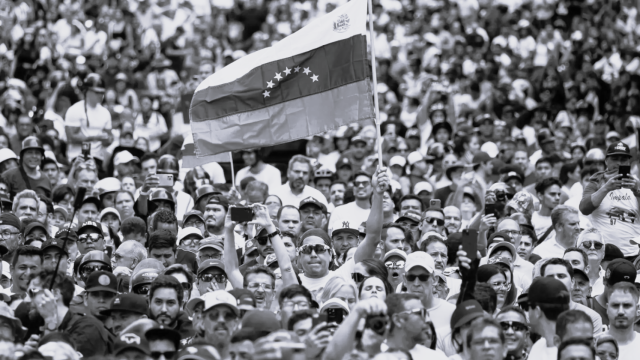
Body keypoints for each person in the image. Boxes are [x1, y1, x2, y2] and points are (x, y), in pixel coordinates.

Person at [27, 270, 113, 357]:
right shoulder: (39, 326)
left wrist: (50, 321)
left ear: (55, 294)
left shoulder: (88, 328)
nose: (27, 299)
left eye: (33, 292)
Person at [580, 141, 640, 258]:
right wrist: (606, 188)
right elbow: (584, 209)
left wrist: (637, 191)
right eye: (615, 159)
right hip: (604, 254)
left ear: (629, 162)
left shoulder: (636, 183)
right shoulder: (596, 182)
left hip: (634, 253)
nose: (618, 163)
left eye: (623, 160)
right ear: (606, 161)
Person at [541, 258, 603, 334]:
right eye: (550, 277)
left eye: (561, 276)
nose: (556, 280)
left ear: (572, 282)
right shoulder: (536, 314)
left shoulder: (591, 317)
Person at [403, 251, 455, 340]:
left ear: (434, 279)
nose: (416, 283)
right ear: (404, 280)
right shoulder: (396, 311)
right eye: (411, 277)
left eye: (423, 277)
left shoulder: (451, 312)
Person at [64, 73, 113, 168]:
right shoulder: (75, 110)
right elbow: (71, 137)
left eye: (102, 92)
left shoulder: (105, 112)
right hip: (78, 156)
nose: (100, 95)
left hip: (98, 157)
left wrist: (108, 139)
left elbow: (109, 137)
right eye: (96, 92)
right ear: (87, 91)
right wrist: (95, 137)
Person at [522, 277, 571, 360]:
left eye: (528, 307)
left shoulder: (572, 354)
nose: (528, 312)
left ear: (537, 311)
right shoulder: (539, 345)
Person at [591, 258, 637, 326]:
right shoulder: (587, 307)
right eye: (615, 287)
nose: (620, 292)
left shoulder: (634, 313)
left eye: (626, 288)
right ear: (604, 281)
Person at [148, 275, 194, 339]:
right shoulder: (136, 332)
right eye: (158, 302)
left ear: (180, 305)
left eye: (170, 303)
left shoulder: (193, 338)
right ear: (149, 302)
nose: (164, 309)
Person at [200, 290, 241, 360]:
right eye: (214, 315)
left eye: (228, 315)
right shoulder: (188, 357)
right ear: (202, 322)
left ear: (235, 323)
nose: (221, 320)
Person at [604, 282, 640, 360]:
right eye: (615, 305)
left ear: (637, 309)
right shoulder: (592, 346)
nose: (620, 311)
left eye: (627, 305)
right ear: (607, 308)